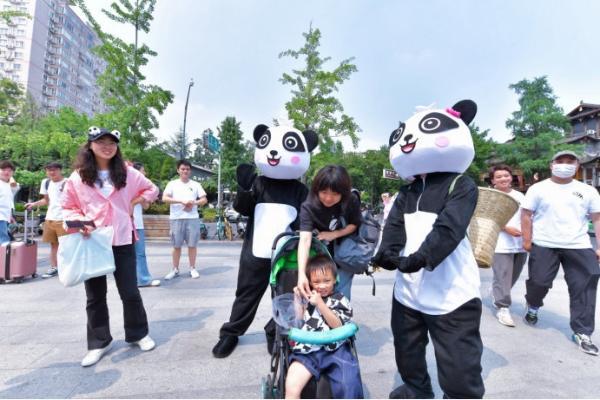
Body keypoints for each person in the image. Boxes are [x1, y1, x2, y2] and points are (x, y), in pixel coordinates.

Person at [212, 123, 317, 359]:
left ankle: (275, 331)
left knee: (286, 298)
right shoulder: (259, 183)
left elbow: (305, 223)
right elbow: (243, 208)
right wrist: (243, 189)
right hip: (254, 253)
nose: (274, 153)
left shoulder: (301, 190)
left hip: (285, 255)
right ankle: (231, 332)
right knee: (246, 294)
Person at [62, 126, 159, 367]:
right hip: (93, 240)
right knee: (95, 295)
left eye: (112, 142)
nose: (107, 146)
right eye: (101, 141)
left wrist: (137, 200)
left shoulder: (127, 173)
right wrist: (81, 222)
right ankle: (98, 342)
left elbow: (152, 189)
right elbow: (68, 206)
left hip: (122, 237)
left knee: (130, 291)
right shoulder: (78, 176)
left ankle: (138, 333)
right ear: (90, 145)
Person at [521, 150, 600, 356]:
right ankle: (533, 305)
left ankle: (582, 332)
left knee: (587, 283)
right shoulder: (538, 189)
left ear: (577, 166)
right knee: (539, 282)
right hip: (545, 243)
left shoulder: (588, 190)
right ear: (551, 165)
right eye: (560, 161)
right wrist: (527, 240)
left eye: (570, 162)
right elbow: (526, 214)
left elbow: (597, 218)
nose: (564, 165)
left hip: (578, 244)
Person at [285, 254, 363, 399]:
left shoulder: (340, 300)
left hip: (336, 349)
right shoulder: (307, 297)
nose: (322, 286)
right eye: (316, 282)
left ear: (334, 279)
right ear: (310, 282)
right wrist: (298, 299)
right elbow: (299, 319)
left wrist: (320, 304)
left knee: (350, 382)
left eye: (327, 281)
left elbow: (337, 325)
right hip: (308, 350)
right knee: (292, 384)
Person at [297, 165, 361, 301]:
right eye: (324, 192)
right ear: (317, 189)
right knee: (316, 300)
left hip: (343, 257)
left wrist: (334, 234)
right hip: (319, 261)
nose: (328, 198)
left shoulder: (351, 200)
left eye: (335, 194)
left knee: (341, 299)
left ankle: (340, 322)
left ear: (343, 193)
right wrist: (301, 274)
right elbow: (305, 240)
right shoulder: (309, 206)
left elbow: (354, 224)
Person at [489, 164, 527, 327]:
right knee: (502, 275)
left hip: (520, 244)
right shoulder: (490, 196)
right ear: (493, 181)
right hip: (500, 244)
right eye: (498, 177)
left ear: (511, 177)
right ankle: (502, 307)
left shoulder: (520, 196)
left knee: (513, 276)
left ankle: (497, 293)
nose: (503, 179)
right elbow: (487, 217)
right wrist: (506, 228)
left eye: (506, 175)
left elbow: (527, 217)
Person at [162, 160, 207, 280]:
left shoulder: (196, 184)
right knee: (176, 245)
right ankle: (175, 269)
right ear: (178, 170)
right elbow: (165, 198)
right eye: (182, 169)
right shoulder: (172, 184)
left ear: (190, 171)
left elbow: (204, 200)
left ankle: (192, 268)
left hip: (192, 218)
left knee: (192, 245)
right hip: (176, 218)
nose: (185, 171)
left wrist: (194, 203)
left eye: (187, 169)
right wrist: (181, 201)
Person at [25, 162, 67, 278]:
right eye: (49, 170)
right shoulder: (46, 182)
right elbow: (46, 201)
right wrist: (34, 204)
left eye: (54, 170)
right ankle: (54, 267)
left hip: (64, 219)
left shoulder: (67, 182)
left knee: (67, 245)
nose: (52, 172)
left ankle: (68, 267)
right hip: (50, 218)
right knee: (54, 245)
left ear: (60, 170)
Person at [132, 162, 160, 287]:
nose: (145, 173)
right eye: (143, 171)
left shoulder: (142, 188)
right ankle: (131, 280)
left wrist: (142, 196)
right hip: (125, 224)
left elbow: (146, 205)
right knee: (126, 254)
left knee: (140, 253)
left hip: (138, 224)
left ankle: (143, 279)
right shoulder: (125, 185)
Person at [0, 160, 18, 244]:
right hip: (1, 217)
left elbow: (8, 202)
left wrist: (10, 216)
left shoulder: (10, 185)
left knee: (4, 239)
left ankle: (4, 256)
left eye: (9, 170)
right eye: (3, 170)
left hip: (5, 217)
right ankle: (4, 257)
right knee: (4, 240)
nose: (6, 172)